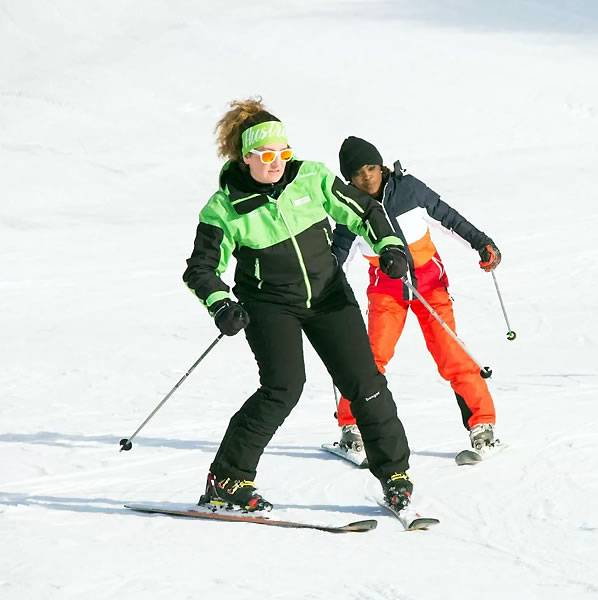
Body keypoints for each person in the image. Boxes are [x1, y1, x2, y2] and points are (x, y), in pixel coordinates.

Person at [182, 99, 415, 512]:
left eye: (283, 153)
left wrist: (390, 245)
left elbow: (364, 211)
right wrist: (221, 304)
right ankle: (227, 480)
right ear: (246, 157)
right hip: (269, 304)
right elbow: (201, 268)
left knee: (366, 383)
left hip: (328, 294)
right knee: (283, 388)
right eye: (267, 156)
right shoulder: (224, 208)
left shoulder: (311, 177)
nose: (277, 163)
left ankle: (395, 474)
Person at [331, 136, 502, 458]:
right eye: (357, 173)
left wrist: (483, 243)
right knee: (370, 358)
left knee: (451, 354)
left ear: (381, 167)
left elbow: (448, 218)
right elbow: (336, 257)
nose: (366, 176)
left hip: (430, 284)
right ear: (348, 180)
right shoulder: (348, 210)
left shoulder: (408, 189)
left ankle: (483, 426)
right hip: (386, 289)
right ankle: (352, 427)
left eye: (371, 168)